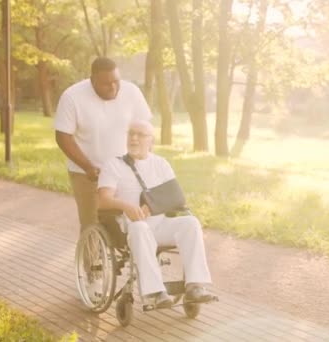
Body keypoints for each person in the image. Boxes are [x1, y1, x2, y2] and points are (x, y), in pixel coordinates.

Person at [97, 120, 214, 307]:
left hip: (160, 224)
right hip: (130, 227)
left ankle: (194, 286)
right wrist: (127, 206)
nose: (134, 138)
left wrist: (152, 207)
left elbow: (175, 197)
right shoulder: (114, 165)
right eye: (131, 134)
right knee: (140, 227)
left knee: (191, 223)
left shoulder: (161, 164)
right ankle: (156, 292)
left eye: (140, 135)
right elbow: (103, 200)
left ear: (151, 141)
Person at [54, 57, 152, 231]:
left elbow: (145, 129)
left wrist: (145, 161)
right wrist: (88, 167)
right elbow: (63, 137)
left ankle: (134, 256)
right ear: (92, 80)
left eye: (116, 81)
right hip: (87, 173)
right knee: (92, 225)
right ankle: (91, 257)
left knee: (133, 221)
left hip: (125, 170)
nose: (113, 87)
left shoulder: (132, 92)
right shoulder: (72, 97)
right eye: (106, 84)